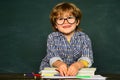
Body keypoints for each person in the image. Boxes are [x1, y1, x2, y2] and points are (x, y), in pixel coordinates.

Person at [40, 2, 93, 76]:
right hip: (53, 72)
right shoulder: (52, 37)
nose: (65, 22)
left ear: (77, 22)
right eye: (61, 19)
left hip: (76, 73)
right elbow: (52, 57)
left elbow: (87, 58)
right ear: (55, 25)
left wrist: (77, 65)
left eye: (70, 18)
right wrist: (60, 64)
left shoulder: (84, 37)